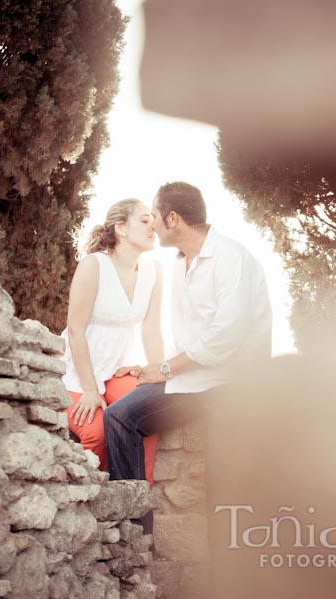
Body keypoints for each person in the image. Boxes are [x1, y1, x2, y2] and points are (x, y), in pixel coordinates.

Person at [103, 182, 272, 533]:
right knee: (120, 417)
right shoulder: (180, 265)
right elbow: (193, 340)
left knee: (224, 491)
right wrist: (157, 368)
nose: (152, 224)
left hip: (234, 387)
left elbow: (225, 339)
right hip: (192, 382)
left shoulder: (231, 257)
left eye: (156, 216)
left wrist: (165, 368)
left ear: (174, 218)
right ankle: (136, 532)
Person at [62, 198, 164, 487]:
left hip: (118, 372)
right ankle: (89, 502)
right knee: (96, 433)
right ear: (120, 227)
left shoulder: (155, 270)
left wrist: (155, 370)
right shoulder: (93, 266)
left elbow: (151, 329)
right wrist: (90, 389)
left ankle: (138, 500)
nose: (153, 225)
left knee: (148, 415)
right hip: (78, 374)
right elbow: (75, 331)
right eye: (144, 220)